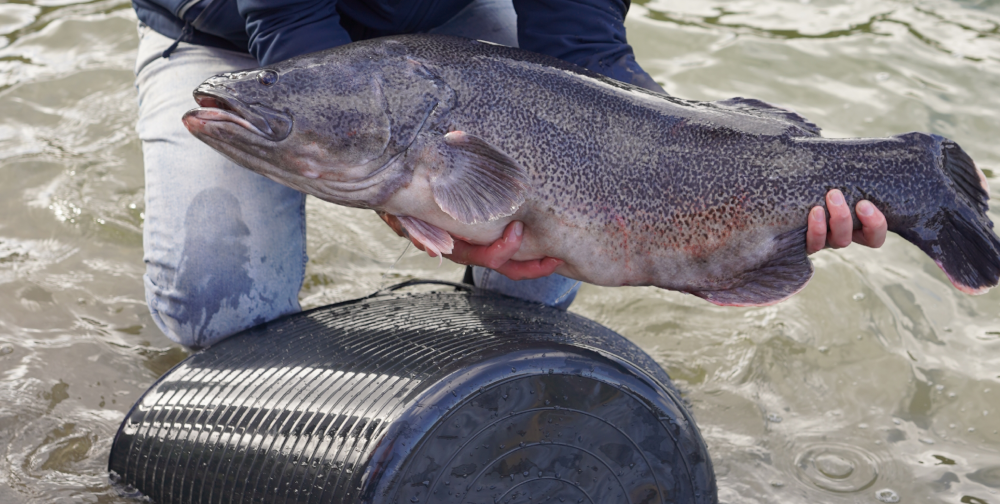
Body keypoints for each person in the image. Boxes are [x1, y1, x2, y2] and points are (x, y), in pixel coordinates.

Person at [132, 0, 888, 349]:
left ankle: (496, 362)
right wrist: (405, 191)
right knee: (215, 306)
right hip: (233, 43)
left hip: (448, 31)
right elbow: (293, 30)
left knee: (562, 224)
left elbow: (585, 52)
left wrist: (741, 178)